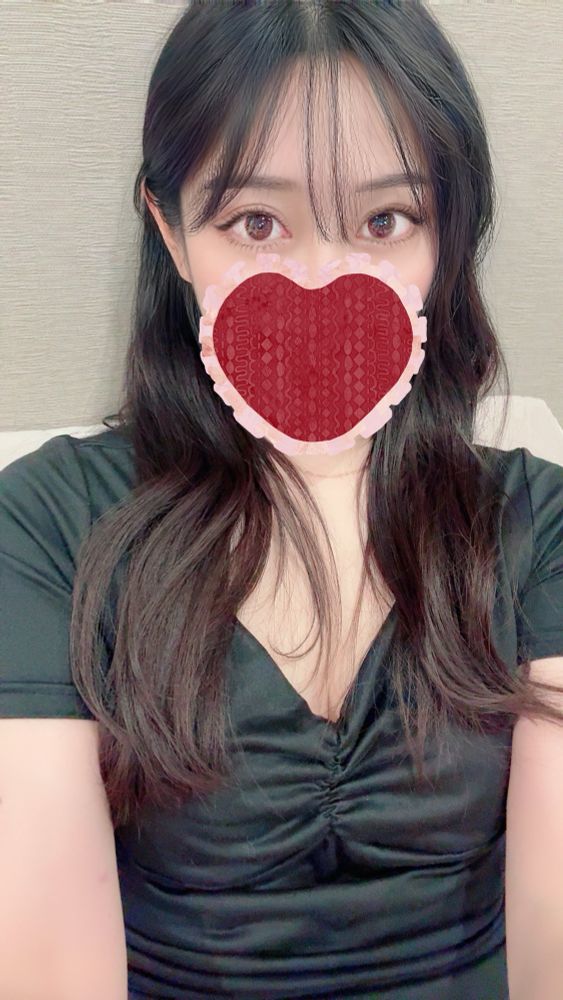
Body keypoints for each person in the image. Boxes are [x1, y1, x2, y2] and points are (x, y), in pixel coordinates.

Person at [1, 2, 562, 998]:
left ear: (446, 234)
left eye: (384, 222)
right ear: (171, 231)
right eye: (255, 223)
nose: (318, 278)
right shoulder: (46, 524)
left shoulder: (537, 522)